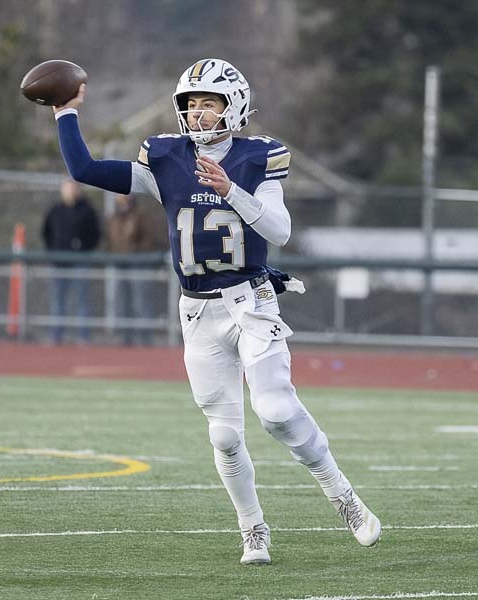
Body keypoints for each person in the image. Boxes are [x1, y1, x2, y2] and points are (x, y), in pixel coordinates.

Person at [50, 58, 381, 564]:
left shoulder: (258, 157)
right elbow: (86, 170)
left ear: (235, 107)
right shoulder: (165, 158)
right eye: (191, 104)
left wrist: (230, 190)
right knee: (225, 435)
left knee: (274, 411)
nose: (199, 113)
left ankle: (344, 498)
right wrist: (64, 112)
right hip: (198, 312)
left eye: (210, 103)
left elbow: (280, 230)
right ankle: (253, 530)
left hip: (251, 300)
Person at [41, 179, 100, 344]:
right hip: (59, 263)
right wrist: (53, 252)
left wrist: (84, 249)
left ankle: (83, 336)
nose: (72, 190)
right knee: (57, 301)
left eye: (75, 187)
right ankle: (56, 335)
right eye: (69, 187)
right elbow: (46, 233)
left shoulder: (87, 210)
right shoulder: (55, 210)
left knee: (82, 300)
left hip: (80, 262)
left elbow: (95, 234)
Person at [106, 194, 160, 345]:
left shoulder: (140, 214)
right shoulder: (114, 216)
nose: (122, 197)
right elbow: (109, 240)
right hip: (118, 264)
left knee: (141, 301)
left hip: (138, 264)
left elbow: (149, 239)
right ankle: (124, 336)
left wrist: (135, 251)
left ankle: (145, 337)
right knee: (120, 300)